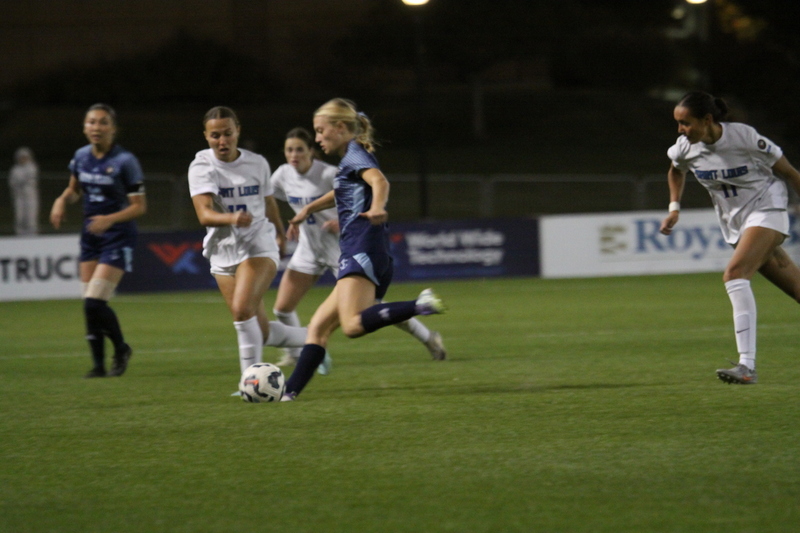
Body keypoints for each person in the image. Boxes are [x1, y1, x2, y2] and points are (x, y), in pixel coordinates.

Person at [280, 98, 446, 402]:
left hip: (361, 248)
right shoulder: (351, 159)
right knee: (317, 328)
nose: (317, 138)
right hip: (368, 250)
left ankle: (418, 304)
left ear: (340, 127)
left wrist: (378, 206)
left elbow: (378, 181)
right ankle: (288, 394)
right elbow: (342, 190)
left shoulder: (356, 155)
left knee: (353, 326)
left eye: (320, 131)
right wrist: (309, 209)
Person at [660, 91, 800, 384]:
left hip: (767, 209)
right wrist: (674, 207)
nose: (680, 130)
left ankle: (746, 366)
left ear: (707, 120)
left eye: (685, 123)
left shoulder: (745, 139)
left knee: (735, 274)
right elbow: (675, 172)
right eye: (678, 123)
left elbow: (790, 173)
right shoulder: (684, 148)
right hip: (735, 223)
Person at [188, 106, 315, 384]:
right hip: (222, 251)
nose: (222, 141)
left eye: (228, 133)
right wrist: (232, 217)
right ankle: (314, 339)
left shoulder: (257, 163)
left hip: (258, 245)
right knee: (260, 330)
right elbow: (204, 214)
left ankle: (251, 383)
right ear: (206, 137)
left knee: (241, 311)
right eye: (215, 135)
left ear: (238, 132)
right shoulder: (201, 167)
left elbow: (269, 203)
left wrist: (280, 233)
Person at [50, 104, 146, 378]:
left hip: (118, 236)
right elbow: (73, 190)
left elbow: (139, 206)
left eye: (103, 123)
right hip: (91, 235)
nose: (96, 127)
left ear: (113, 129)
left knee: (94, 302)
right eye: (91, 122)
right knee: (89, 305)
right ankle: (98, 366)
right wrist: (60, 201)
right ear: (84, 127)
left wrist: (111, 219)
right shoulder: (80, 157)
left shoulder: (126, 161)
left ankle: (121, 347)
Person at [9, 146, 40, 235]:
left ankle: (32, 234)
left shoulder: (32, 167)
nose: (23, 159)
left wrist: (22, 182)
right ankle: (20, 234)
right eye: (21, 157)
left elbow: (31, 180)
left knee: (31, 216)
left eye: (25, 157)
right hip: (19, 196)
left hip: (30, 196)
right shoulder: (15, 170)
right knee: (20, 216)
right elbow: (12, 182)